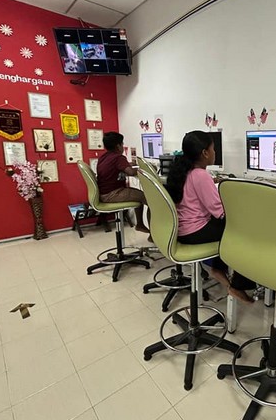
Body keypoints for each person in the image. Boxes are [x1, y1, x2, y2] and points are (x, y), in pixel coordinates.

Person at [166, 130, 256, 304]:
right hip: (194, 231)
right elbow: (219, 212)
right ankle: (237, 284)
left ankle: (218, 269)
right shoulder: (200, 175)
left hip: (183, 229)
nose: (215, 152)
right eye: (213, 149)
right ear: (205, 153)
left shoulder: (184, 171)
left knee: (226, 227)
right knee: (242, 231)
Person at [96, 132, 149, 233]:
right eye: (122, 144)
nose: (123, 146)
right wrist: (145, 169)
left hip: (103, 193)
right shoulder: (118, 157)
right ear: (118, 146)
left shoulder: (103, 157)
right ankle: (151, 232)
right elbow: (130, 172)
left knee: (138, 195)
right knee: (148, 198)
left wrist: (128, 164)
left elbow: (114, 168)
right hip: (113, 194)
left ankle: (140, 225)